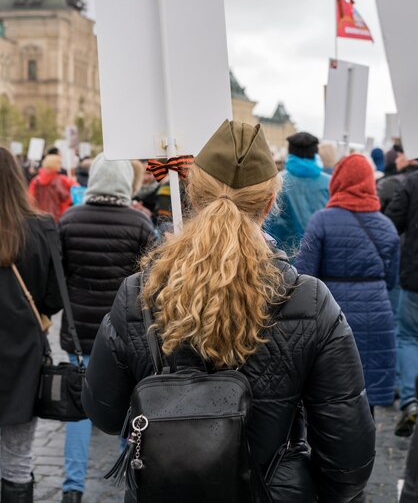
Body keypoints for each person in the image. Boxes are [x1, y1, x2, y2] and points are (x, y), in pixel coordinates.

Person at [82, 120, 375, 503]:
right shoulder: (311, 301)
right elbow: (348, 459)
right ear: (270, 203)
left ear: (192, 193)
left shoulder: (140, 291)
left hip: (164, 488)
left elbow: (104, 412)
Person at [58, 153, 157, 503]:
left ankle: (72, 488)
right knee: (129, 408)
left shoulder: (68, 220)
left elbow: (60, 277)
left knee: (78, 410)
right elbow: (152, 284)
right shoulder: (140, 224)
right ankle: (126, 479)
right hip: (125, 333)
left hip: (79, 334)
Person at [295, 154, 399, 413]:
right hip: (377, 314)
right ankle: (367, 450)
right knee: (368, 397)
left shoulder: (321, 220)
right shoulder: (387, 226)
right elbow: (392, 280)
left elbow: (303, 274)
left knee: (330, 392)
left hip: (332, 312)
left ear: (338, 181)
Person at [0, 147, 62, 503]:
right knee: (18, 459)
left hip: (22, 355)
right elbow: (54, 298)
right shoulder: (41, 228)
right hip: (23, 356)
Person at [386, 169, 418, 436]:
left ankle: (410, 400)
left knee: (408, 337)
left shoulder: (412, 181)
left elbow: (391, 225)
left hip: (414, 275)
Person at [264, 131, 330, 254]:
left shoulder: (276, 182)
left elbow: (269, 222)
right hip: (319, 258)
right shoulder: (330, 183)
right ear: (316, 153)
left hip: (285, 258)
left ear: (290, 152)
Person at [28, 153, 73, 221]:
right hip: (58, 218)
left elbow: (30, 199)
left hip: (39, 217)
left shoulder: (35, 181)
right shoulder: (62, 180)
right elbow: (68, 199)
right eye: (59, 163)